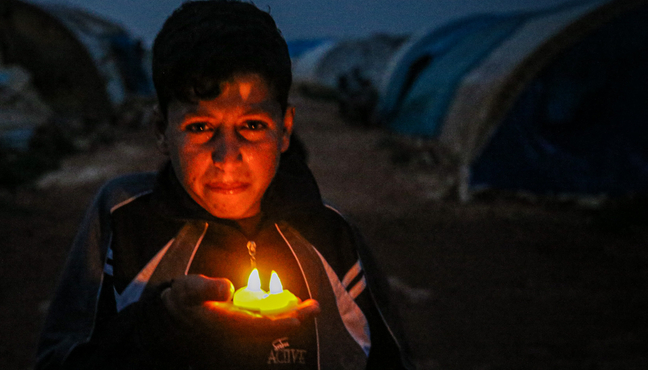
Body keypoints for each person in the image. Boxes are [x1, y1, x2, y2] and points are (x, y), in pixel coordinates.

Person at [36, 1, 412, 369]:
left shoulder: (332, 236)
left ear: (284, 130)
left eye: (252, 126)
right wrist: (164, 324)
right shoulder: (124, 220)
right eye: (200, 128)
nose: (227, 156)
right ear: (161, 131)